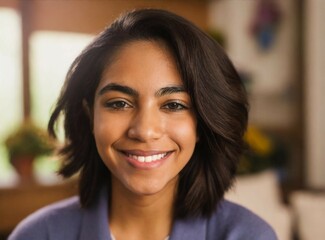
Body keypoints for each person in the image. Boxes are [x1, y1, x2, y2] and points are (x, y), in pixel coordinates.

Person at [9, 9, 277, 240]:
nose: (145, 130)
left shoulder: (248, 235)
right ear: (90, 115)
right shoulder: (38, 234)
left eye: (173, 105)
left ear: (202, 123)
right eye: (119, 103)